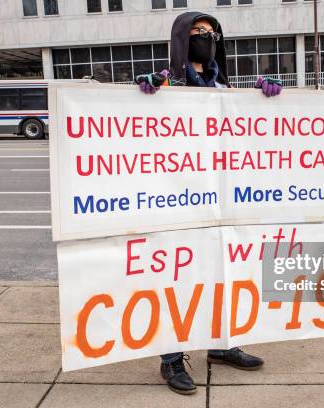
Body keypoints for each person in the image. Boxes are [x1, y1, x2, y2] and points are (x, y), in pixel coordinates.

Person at [135, 11, 283, 396]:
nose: (206, 38)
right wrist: (139, 96)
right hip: (177, 198)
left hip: (221, 197)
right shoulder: (166, 82)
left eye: (212, 33)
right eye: (198, 32)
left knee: (222, 271)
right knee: (176, 279)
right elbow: (137, 130)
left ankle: (220, 344)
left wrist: (266, 100)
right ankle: (170, 360)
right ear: (182, 38)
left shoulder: (227, 84)